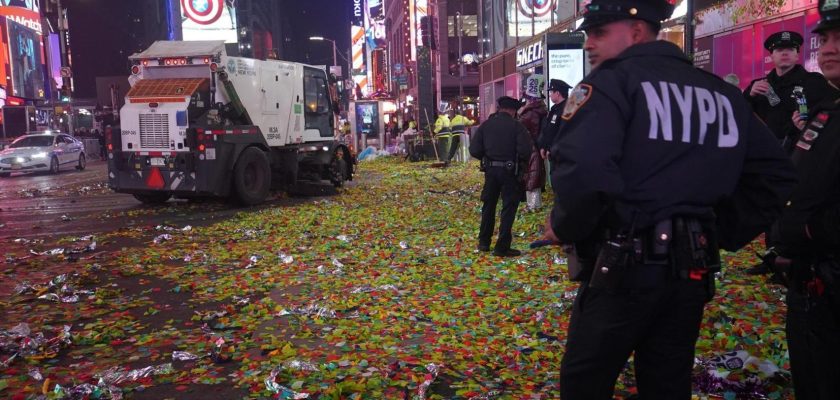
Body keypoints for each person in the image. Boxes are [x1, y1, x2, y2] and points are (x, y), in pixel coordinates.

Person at [541, 1, 798, 398]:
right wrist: (717, 231)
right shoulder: (721, 94)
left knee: (585, 381)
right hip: (691, 271)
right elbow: (775, 175)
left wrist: (564, 225)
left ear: (637, 31)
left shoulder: (611, 84)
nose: (588, 43)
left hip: (623, 265)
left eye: (599, 31)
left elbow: (584, 169)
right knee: (667, 382)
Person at [766, 2, 840, 397]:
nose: (829, 48)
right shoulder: (826, 111)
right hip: (810, 278)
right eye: (825, 39)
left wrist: (810, 231)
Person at [744, 30, 834, 147]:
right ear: (772, 56)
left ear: (797, 55)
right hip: (765, 154)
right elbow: (739, 117)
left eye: (790, 49)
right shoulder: (757, 86)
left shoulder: (814, 82)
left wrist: (806, 126)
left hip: (800, 152)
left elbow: (831, 117)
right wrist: (749, 96)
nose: (785, 53)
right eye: (779, 50)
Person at [470, 96, 532, 257]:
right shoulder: (517, 127)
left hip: (490, 172)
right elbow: (526, 150)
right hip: (510, 172)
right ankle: (502, 247)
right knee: (508, 208)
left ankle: (484, 242)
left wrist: (487, 157)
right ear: (512, 110)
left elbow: (474, 150)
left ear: (500, 108)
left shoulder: (486, 125)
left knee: (488, 206)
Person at [518, 93, 547, 211]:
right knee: (535, 174)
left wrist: (521, 111)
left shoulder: (530, 113)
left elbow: (518, 125)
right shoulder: (542, 111)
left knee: (532, 175)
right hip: (538, 146)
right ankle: (536, 204)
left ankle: (532, 205)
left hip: (531, 146)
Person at [538, 79, 572, 159]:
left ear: (557, 93)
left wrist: (551, 149)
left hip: (561, 154)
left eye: (551, 92)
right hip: (551, 153)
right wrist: (544, 146)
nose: (549, 95)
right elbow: (548, 130)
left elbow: (563, 133)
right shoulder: (554, 109)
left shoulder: (567, 109)